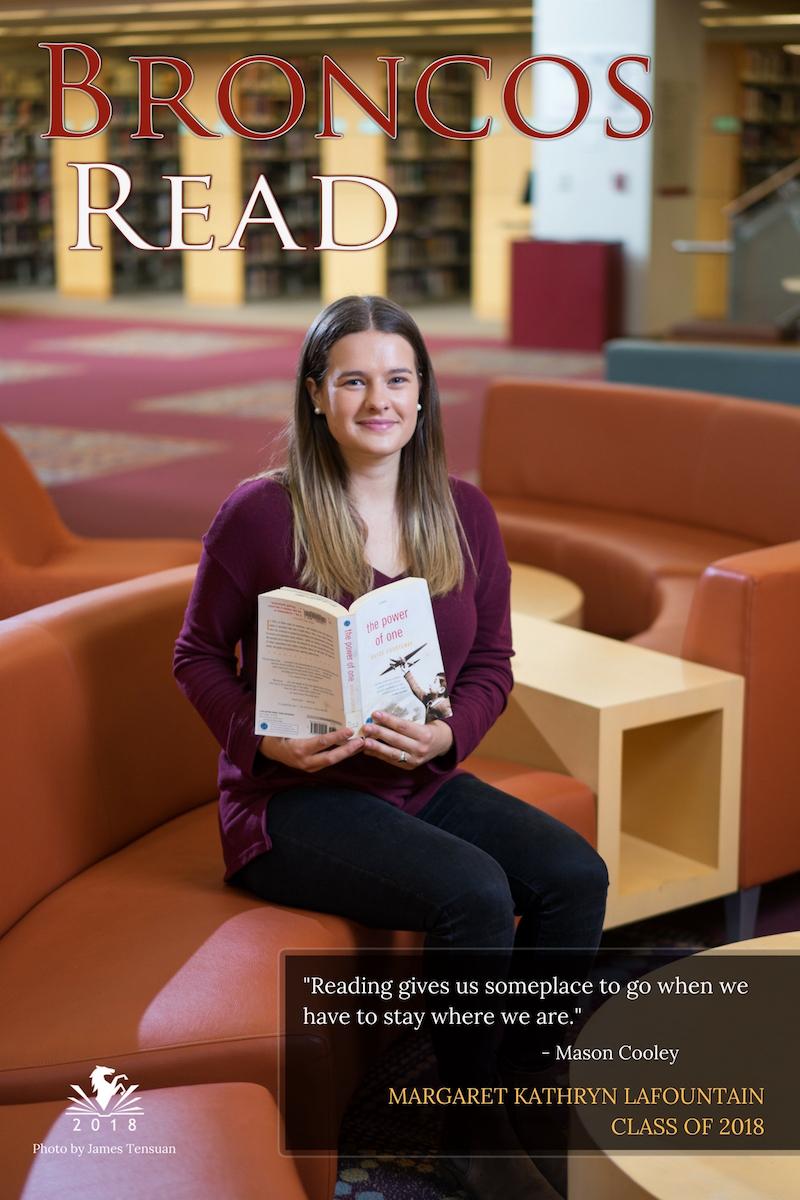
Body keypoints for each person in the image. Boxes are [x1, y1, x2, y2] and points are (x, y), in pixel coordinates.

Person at [173, 295, 608, 1200]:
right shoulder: (261, 515)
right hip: (294, 801)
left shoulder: (463, 512)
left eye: (398, 379)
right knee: (476, 893)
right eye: (355, 380)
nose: (380, 399)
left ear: (424, 395)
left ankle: (520, 1088)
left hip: (417, 778)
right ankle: (470, 1135)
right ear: (317, 396)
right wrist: (267, 740)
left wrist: (450, 734)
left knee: (575, 877)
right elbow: (197, 656)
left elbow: (491, 659)